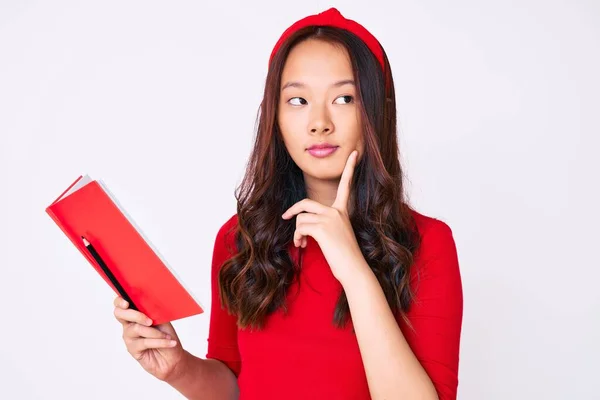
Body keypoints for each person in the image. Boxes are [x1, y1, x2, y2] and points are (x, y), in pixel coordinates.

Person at [112, 7, 463, 400]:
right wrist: (178, 367)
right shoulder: (240, 238)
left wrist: (352, 268)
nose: (319, 122)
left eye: (344, 98)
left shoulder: (427, 243)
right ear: (274, 117)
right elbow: (234, 385)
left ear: (377, 112)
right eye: (297, 101)